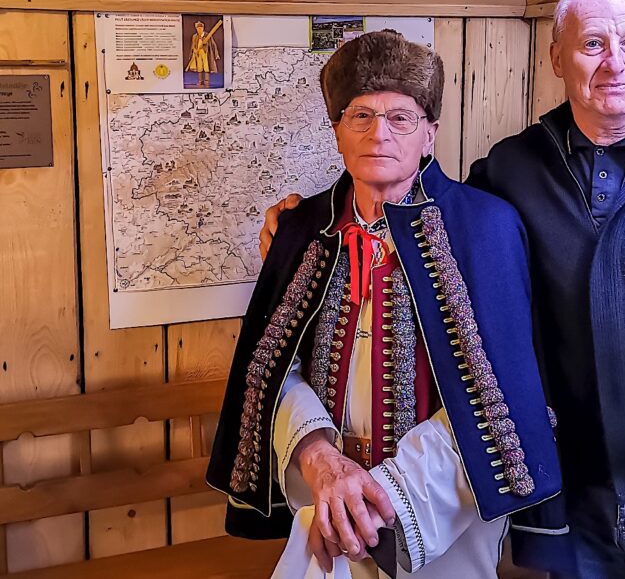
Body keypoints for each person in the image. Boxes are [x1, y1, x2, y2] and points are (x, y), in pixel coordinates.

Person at [259, 0, 625, 579]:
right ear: (558, 57)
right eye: (592, 43)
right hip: (574, 503)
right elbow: (423, 214)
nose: (614, 62)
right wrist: (297, 228)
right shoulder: (511, 169)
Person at [207, 29, 566, 578]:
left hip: (443, 510)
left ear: (429, 135)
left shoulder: (485, 226)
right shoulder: (301, 229)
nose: (380, 134)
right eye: (361, 116)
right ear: (337, 131)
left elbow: (503, 393)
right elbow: (274, 370)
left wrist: (383, 494)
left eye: (401, 117)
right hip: (322, 500)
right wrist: (321, 460)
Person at [187, 19, 222, 88]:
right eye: (198, 28)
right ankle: (200, 81)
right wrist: (193, 51)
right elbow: (193, 45)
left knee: (206, 67)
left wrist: (216, 54)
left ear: (203, 28)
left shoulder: (208, 36)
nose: (199, 29)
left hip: (205, 53)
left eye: (200, 28)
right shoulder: (194, 36)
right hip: (198, 54)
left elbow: (213, 44)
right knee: (199, 68)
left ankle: (207, 82)